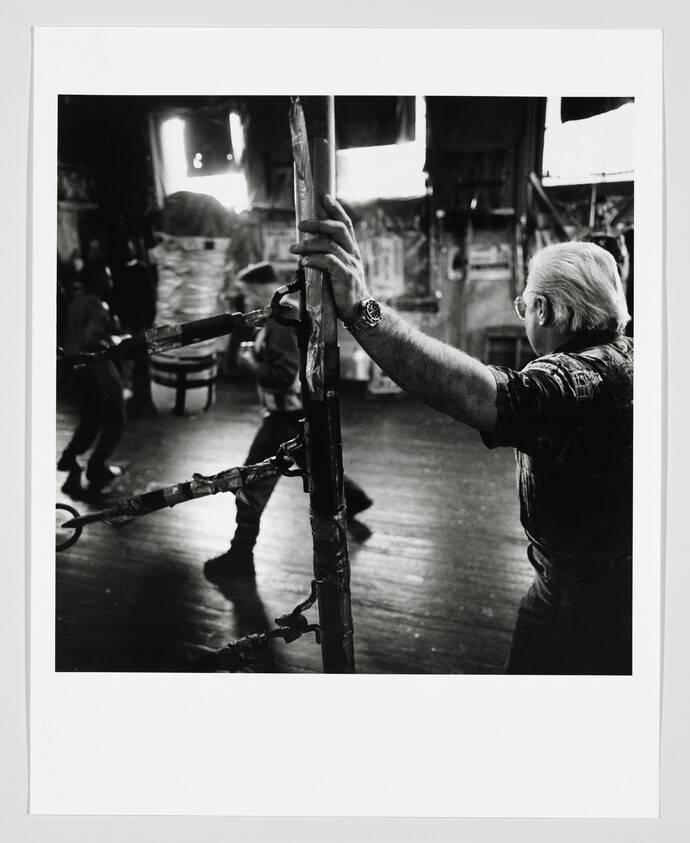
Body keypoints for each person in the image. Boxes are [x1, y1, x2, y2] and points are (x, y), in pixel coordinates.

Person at [289, 194, 633, 675]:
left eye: (524, 305)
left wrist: (363, 311)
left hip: (584, 598)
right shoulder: (635, 357)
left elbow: (477, 395)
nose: (524, 315)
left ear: (548, 312)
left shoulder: (572, 384)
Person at [205, 261, 373, 579]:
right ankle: (356, 499)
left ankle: (240, 556)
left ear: (259, 290)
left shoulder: (281, 321)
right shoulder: (282, 315)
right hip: (295, 415)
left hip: (284, 420)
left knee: (249, 486)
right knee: (315, 466)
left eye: (246, 293)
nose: (245, 301)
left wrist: (248, 364)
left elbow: (283, 376)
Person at [57, 250, 126, 499]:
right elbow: (92, 339)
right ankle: (97, 465)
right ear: (97, 279)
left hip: (76, 368)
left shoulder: (76, 302)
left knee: (90, 418)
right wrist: (118, 340)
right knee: (116, 417)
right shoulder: (96, 306)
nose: (110, 281)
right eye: (107, 277)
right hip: (97, 368)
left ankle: (70, 456)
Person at [111, 237, 157, 416]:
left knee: (143, 354)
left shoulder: (141, 269)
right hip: (126, 319)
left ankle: (142, 388)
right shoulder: (119, 269)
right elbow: (115, 296)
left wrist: (150, 316)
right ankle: (129, 387)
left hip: (139, 318)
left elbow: (149, 294)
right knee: (129, 355)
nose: (127, 251)